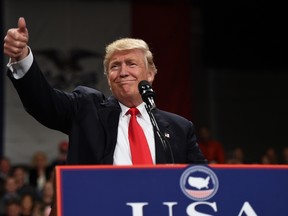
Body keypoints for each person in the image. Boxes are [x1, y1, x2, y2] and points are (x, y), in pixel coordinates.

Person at [3, 17, 207, 166]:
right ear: (108, 77)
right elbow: (43, 102)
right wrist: (22, 58)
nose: (123, 72)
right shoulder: (85, 108)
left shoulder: (179, 128)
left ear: (151, 73)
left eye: (131, 64)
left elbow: (204, 180)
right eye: (115, 66)